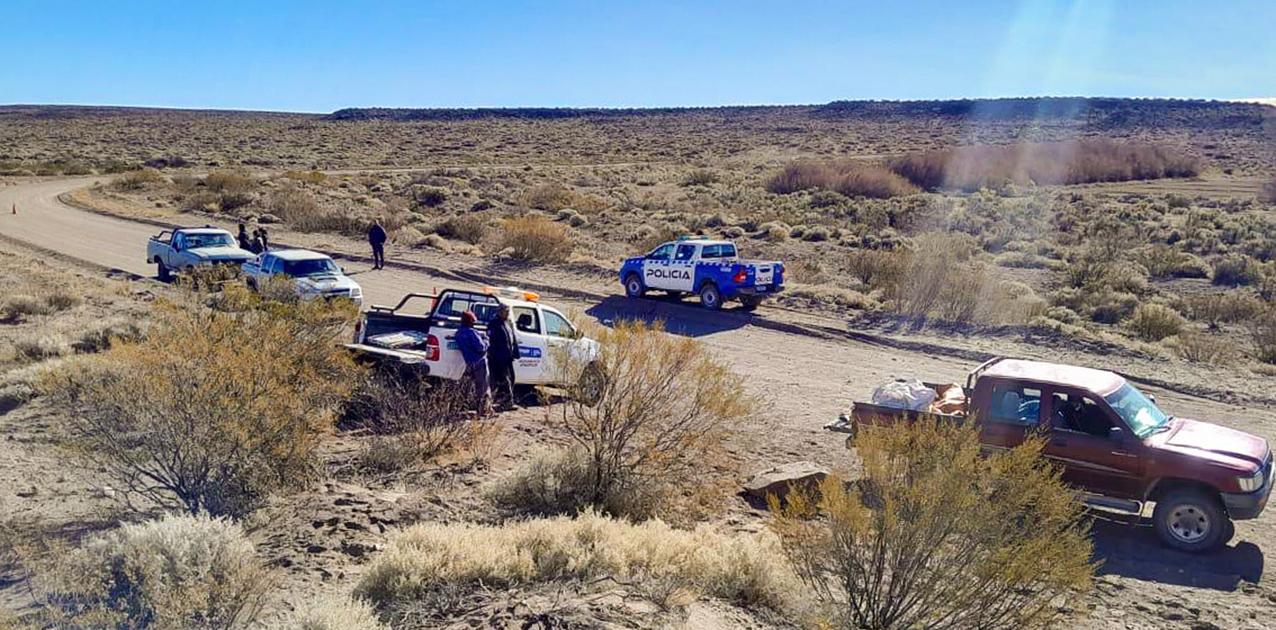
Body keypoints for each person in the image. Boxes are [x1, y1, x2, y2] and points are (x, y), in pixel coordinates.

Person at [455, 310, 492, 416]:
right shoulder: (472, 333)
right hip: (480, 363)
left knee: (468, 387)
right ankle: (484, 411)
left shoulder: (458, 333)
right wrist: (486, 339)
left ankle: (463, 408)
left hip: (469, 363)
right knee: (483, 388)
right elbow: (481, 348)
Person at [486, 305, 520, 411]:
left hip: (508, 357)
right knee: (504, 380)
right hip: (498, 357)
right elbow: (491, 341)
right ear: (500, 312)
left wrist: (515, 352)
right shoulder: (494, 324)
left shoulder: (508, 323)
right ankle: (507, 402)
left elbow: (512, 339)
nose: (507, 313)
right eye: (505, 311)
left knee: (511, 378)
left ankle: (504, 400)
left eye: (508, 311)